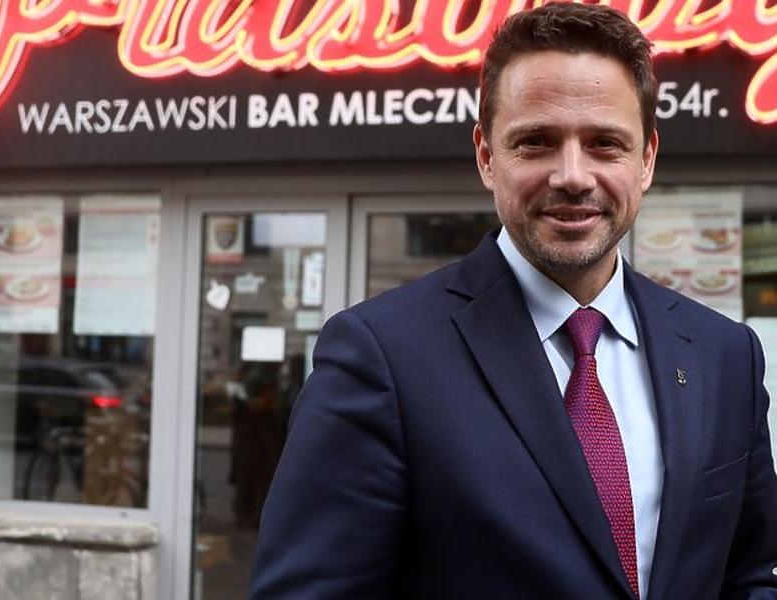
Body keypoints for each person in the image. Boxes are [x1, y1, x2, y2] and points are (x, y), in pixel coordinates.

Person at [249, 4, 777, 598]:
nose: (573, 175)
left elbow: (752, 574)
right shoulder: (382, 357)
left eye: (605, 143)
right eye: (536, 142)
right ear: (486, 156)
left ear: (646, 159)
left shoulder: (725, 354)